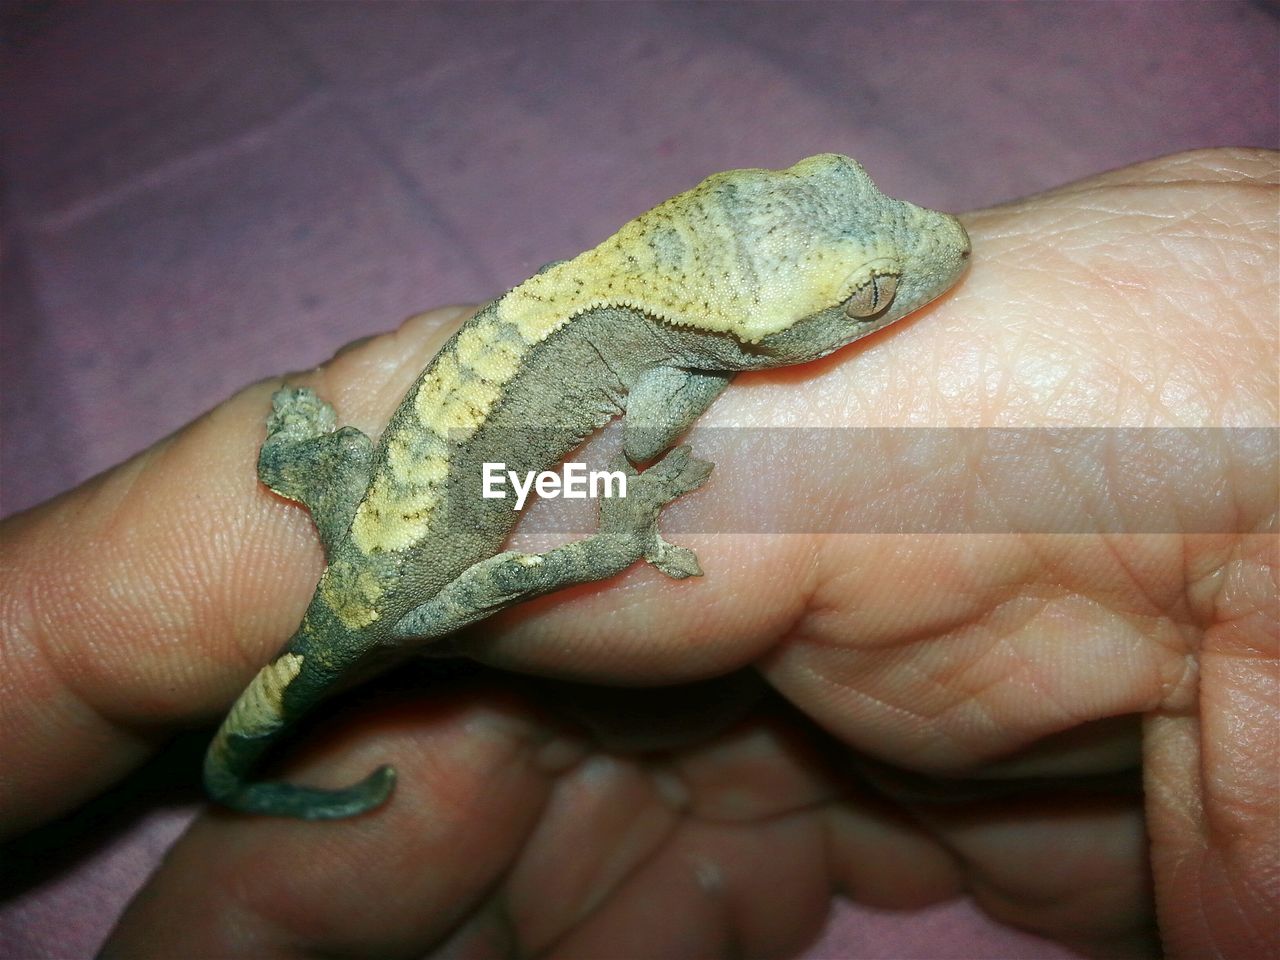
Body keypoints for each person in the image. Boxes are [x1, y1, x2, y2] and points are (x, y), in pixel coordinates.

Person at [2, 149, 1274, 959]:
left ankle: (307, 505)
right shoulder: (672, 362)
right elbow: (655, 424)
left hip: (387, 521)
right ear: (751, 330)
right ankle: (272, 754)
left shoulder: (644, 305)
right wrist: (617, 525)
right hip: (414, 576)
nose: (927, 242)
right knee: (517, 545)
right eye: (870, 296)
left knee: (384, 473)